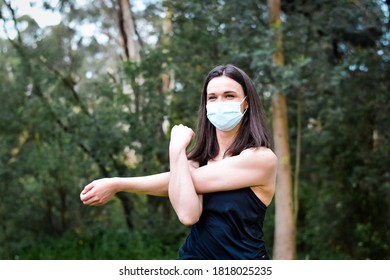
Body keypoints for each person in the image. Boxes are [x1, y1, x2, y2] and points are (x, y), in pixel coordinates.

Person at [80, 64, 277, 260]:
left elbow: (183, 183)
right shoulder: (193, 161)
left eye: (229, 96)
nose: (220, 103)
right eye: (212, 97)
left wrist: (118, 183)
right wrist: (178, 153)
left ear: (246, 102)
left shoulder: (262, 159)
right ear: (206, 105)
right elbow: (188, 214)